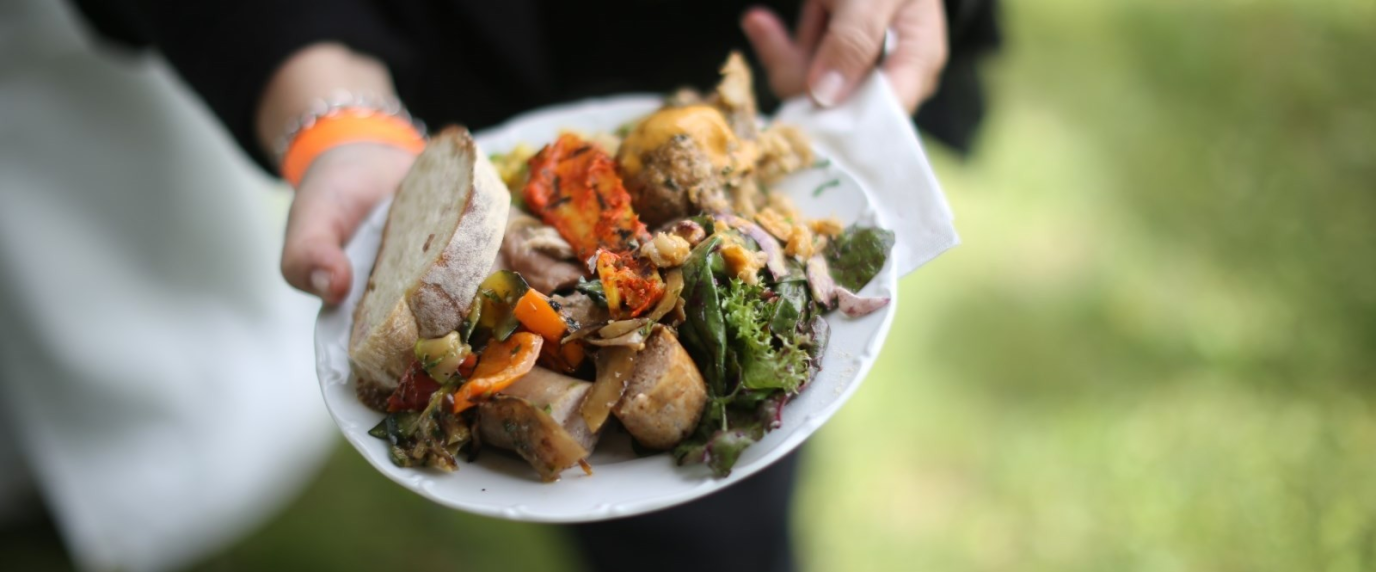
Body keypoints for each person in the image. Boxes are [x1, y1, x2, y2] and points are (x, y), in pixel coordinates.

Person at [28, 1, 1000, 570]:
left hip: (724, 34)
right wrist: (337, 118)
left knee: (719, 523)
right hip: (444, 61)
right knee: (661, 528)